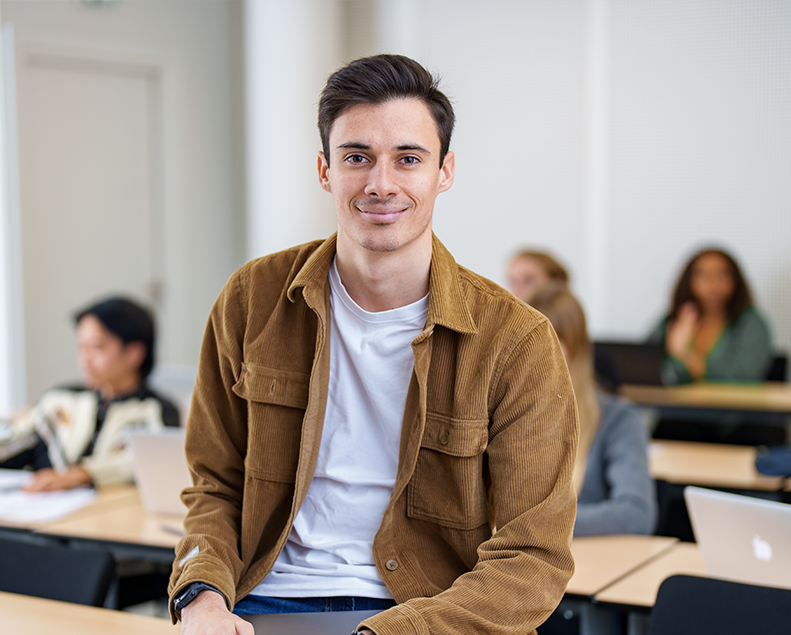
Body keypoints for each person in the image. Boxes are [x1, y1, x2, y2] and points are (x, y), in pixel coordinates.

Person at [168, 54, 578, 635]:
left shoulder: (516, 342)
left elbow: (532, 559)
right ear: (324, 170)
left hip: (431, 617)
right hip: (263, 606)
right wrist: (201, 596)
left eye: (407, 159)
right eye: (356, 157)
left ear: (445, 171)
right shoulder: (251, 300)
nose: (380, 183)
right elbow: (215, 485)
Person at [0, 296, 180, 491]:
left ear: (134, 353)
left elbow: (141, 465)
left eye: (97, 347)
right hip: (54, 521)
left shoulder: (157, 409)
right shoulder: (61, 399)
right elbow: (15, 443)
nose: (85, 359)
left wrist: (81, 474)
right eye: (81, 347)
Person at [526, 283, 655, 536]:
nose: (536, 354)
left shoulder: (619, 420)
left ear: (578, 349)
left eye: (553, 340)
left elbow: (636, 514)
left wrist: (539, 525)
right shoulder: (502, 418)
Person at [648, 247, 773, 385]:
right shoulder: (674, 319)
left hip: (730, 405)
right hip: (672, 404)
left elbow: (742, 378)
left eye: (722, 275)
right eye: (703, 275)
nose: (713, 283)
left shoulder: (751, 323)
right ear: (689, 280)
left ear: (735, 280)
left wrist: (686, 356)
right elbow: (643, 365)